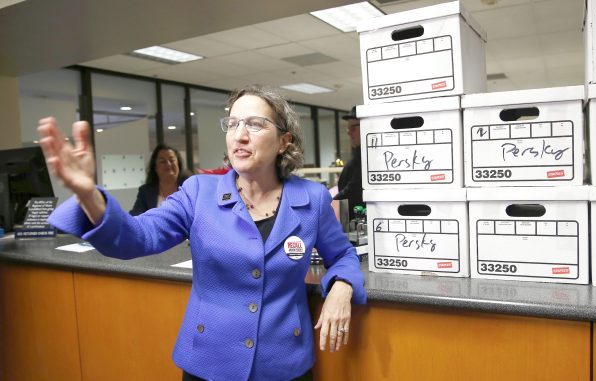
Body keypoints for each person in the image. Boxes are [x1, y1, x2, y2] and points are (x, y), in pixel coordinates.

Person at [38, 84, 366, 381]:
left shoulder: (312, 198)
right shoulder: (198, 192)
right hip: (209, 364)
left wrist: (342, 287)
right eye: (233, 123)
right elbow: (136, 237)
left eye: (255, 124)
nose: (240, 134)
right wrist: (88, 195)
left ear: (284, 141)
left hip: (284, 365)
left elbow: (343, 255)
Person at [130, 143, 189, 216]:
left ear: (178, 164)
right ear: (155, 167)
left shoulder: (189, 188)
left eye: (172, 160)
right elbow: (135, 217)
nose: (168, 164)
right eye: (162, 161)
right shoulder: (146, 192)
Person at [333, 106, 365, 220]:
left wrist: (331, 201)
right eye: (348, 130)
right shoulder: (358, 153)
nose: (349, 134)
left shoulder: (367, 155)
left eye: (353, 129)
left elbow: (355, 188)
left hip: (359, 219)